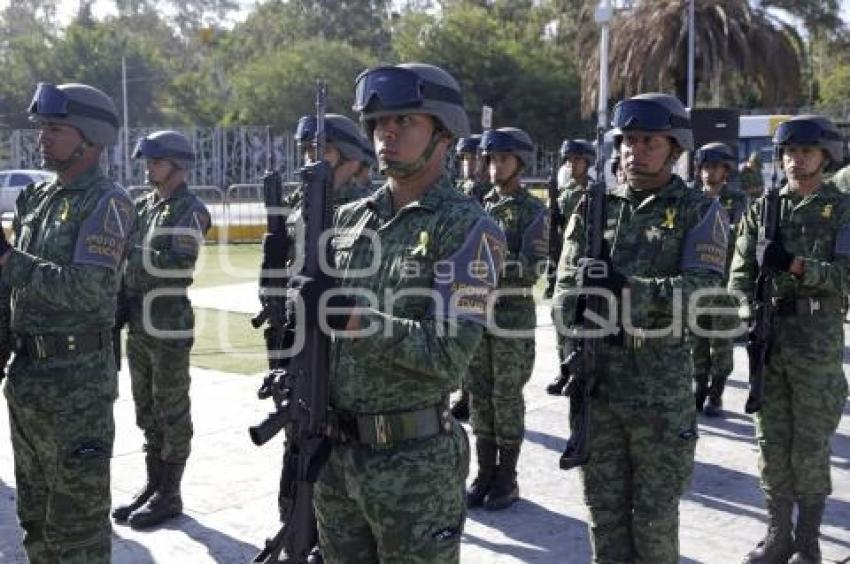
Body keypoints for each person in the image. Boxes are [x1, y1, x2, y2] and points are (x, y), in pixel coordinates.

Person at [313, 62, 506, 563]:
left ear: (443, 135)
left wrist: (360, 321)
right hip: (335, 459)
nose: (387, 134)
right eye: (379, 124)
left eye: (405, 122)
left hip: (414, 469)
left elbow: (448, 354)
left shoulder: (468, 227)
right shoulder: (348, 221)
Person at [554, 92, 727, 563]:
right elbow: (565, 288)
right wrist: (571, 347)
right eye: (627, 140)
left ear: (675, 147)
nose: (634, 150)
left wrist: (627, 288)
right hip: (599, 382)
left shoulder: (699, 210)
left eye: (648, 140)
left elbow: (703, 291)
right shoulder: (594, 206)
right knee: (604, 519)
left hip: (659, 391)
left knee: (652, 523)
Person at [0, 82, 134, 562]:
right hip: (28, 383)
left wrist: (7, 260)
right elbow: (7, 288)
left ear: (90, 140)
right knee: (33, 521)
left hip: (77, 390)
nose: (42, 138)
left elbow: (88, 288)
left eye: (55, 129)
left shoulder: (109, 202)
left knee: (76, 531)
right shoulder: (35, 198)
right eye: (43, 128)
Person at [729, 115, 850, 564]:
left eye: (805, 152)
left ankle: (810, 543)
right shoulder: (764, 209)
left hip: (815, 342)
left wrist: (797, 266)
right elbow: (738, 275)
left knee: (810, 444)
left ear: (824, 156)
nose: (796, 161)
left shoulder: (841, 208)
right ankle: (778, 536)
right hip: (769, 340)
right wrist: (746, 315)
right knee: (770, 441)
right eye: (789, 153)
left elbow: (846, 278)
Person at [112, 130, 211, 529]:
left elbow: (176, 268)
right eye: (148, 162)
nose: (149, 167)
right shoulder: (144, 207)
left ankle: (171, 493)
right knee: (145, 407)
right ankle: (153, 485)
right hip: (137, 321)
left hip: (167, 322)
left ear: (177, 165)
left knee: (171, 409)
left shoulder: (191, 210)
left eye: (156, 161)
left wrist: (133, 261)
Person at [465, 127, 548, 511]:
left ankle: (507, 476)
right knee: (479, 394)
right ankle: (484, 472)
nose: (495, 166)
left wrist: (485, 267)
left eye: (502, 159)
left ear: (520, 162)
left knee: (506, 396)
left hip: (512, 320)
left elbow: (533, 267)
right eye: (491, 159)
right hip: (478, 317)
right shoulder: (475, 205)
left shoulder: (534, 212)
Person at [690, 142, 747, 417]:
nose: (709, 173)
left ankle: (717, 392)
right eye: (705, 167)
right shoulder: (690, 199)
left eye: (715, 167)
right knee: (697, 339)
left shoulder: (737, 200)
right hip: (697, 283)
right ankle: (699, 386)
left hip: (724, 283)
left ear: (726, 170)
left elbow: (741, 239)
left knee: (721, 340)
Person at [546, 138, 597, 394]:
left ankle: (578, 372)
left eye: (577, 159)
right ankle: (563, 370)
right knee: (559, 317)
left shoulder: (595, 193)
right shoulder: (563, 193)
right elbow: (554, 232)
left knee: (579, 322)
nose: (572, 164)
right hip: (563, 262)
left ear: (587, 162)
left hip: (584, 262)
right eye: (569, 160)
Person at [294, 113, 373, 209]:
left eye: (323, 150)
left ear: (349, 158)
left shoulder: (367, 209)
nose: (310, 156)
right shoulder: (298, 200)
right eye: (307, 149)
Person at [455, 134, 490, 204]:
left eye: (474, 158)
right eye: (466, 158)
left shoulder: (493, 192)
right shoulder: (457, 189)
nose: (469, 163)